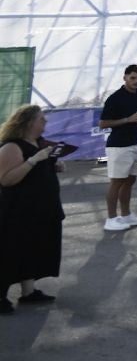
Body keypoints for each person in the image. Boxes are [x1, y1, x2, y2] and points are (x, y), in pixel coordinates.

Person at [0, 105, 64, 312]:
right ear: (29, 123)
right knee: (10, 251)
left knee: (30, 250)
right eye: (41, 120)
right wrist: (33, 160)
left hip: (39, 210)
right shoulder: (12, 147)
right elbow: (7, 180)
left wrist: (53, 166)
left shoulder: (38, 143)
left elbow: (35, 173)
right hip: (17, 211)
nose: (45, 123)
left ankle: (28, 291)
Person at [99, 63, 137, 232]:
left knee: (130, 181)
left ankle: (126, 214)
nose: (136, 81)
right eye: (132, 78)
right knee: (117, 182)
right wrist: (127, 120)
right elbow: (102, 123)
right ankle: (111, 218)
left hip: (134, 144)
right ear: (125, 78)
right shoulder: (115, 98)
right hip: (118, 146)